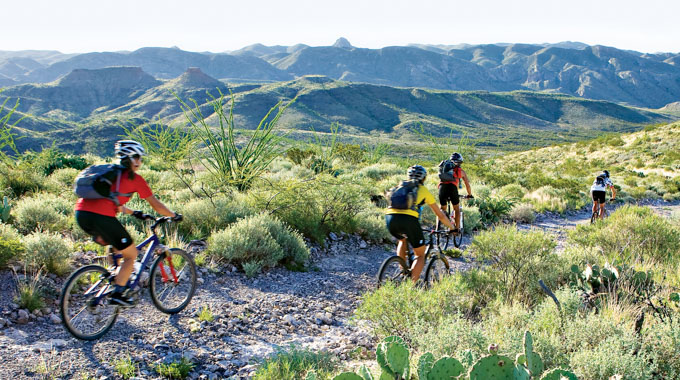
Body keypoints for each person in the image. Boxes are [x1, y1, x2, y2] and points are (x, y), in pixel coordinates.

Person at [74, 140, 181, 307]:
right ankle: (118, 293)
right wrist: (173, 215)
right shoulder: (135, 179)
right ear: (130, 158)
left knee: (116, 245)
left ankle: (115, 275)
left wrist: (135, 212)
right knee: (131, 255)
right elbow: (157, 205)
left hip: (82, 215)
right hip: (102, 217)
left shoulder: (110, 175)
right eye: (137, 157)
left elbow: (113, 202)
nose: (140, 161)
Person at [385, 165, 456, 282]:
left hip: (390, 218)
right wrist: (452, 227)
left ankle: (403, 270)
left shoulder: (399, 186)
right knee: (420, 254)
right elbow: (441, 215)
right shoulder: (422, 190)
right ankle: (411, 286)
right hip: (408, 220)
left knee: (402, 240)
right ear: (423, 178)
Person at [438, 152, 473, 232]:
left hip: (442, 187)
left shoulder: (445, 169)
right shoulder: (461, 171)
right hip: (452, 188)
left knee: (442, 209)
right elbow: (467, 185)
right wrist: (469, 194)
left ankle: (437, 229)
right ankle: (456, 229)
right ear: (460, 162)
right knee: (456, 209)